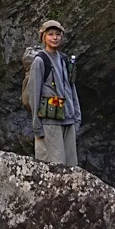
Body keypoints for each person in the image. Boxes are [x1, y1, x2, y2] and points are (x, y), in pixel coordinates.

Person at [23, 19, 82, 167]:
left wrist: (76, 116)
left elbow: (71, 89)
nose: (54, 37)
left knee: (71, 167)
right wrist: (37, 126)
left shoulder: (64, 59)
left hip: (68, 120)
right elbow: (33, 94)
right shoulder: (40, 61)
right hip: (50, 122)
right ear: (43, 37)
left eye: (58, 34)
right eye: (50, 34)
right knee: (54, 167)